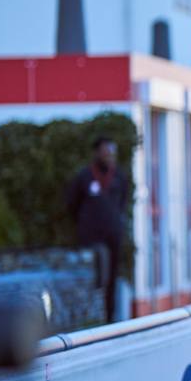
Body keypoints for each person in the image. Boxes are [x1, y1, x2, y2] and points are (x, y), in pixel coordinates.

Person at [66, 136, 129, 323]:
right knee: (93, 275)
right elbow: (72, 204)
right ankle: (90, 317)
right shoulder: (85, 176)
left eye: (112, 152)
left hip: (113, 234)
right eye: (106, 151)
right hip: (91, 235)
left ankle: (109, 318)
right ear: (97, 153)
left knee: (111, 276)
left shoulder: (119, 176)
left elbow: (123, 202)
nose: (109, 155)